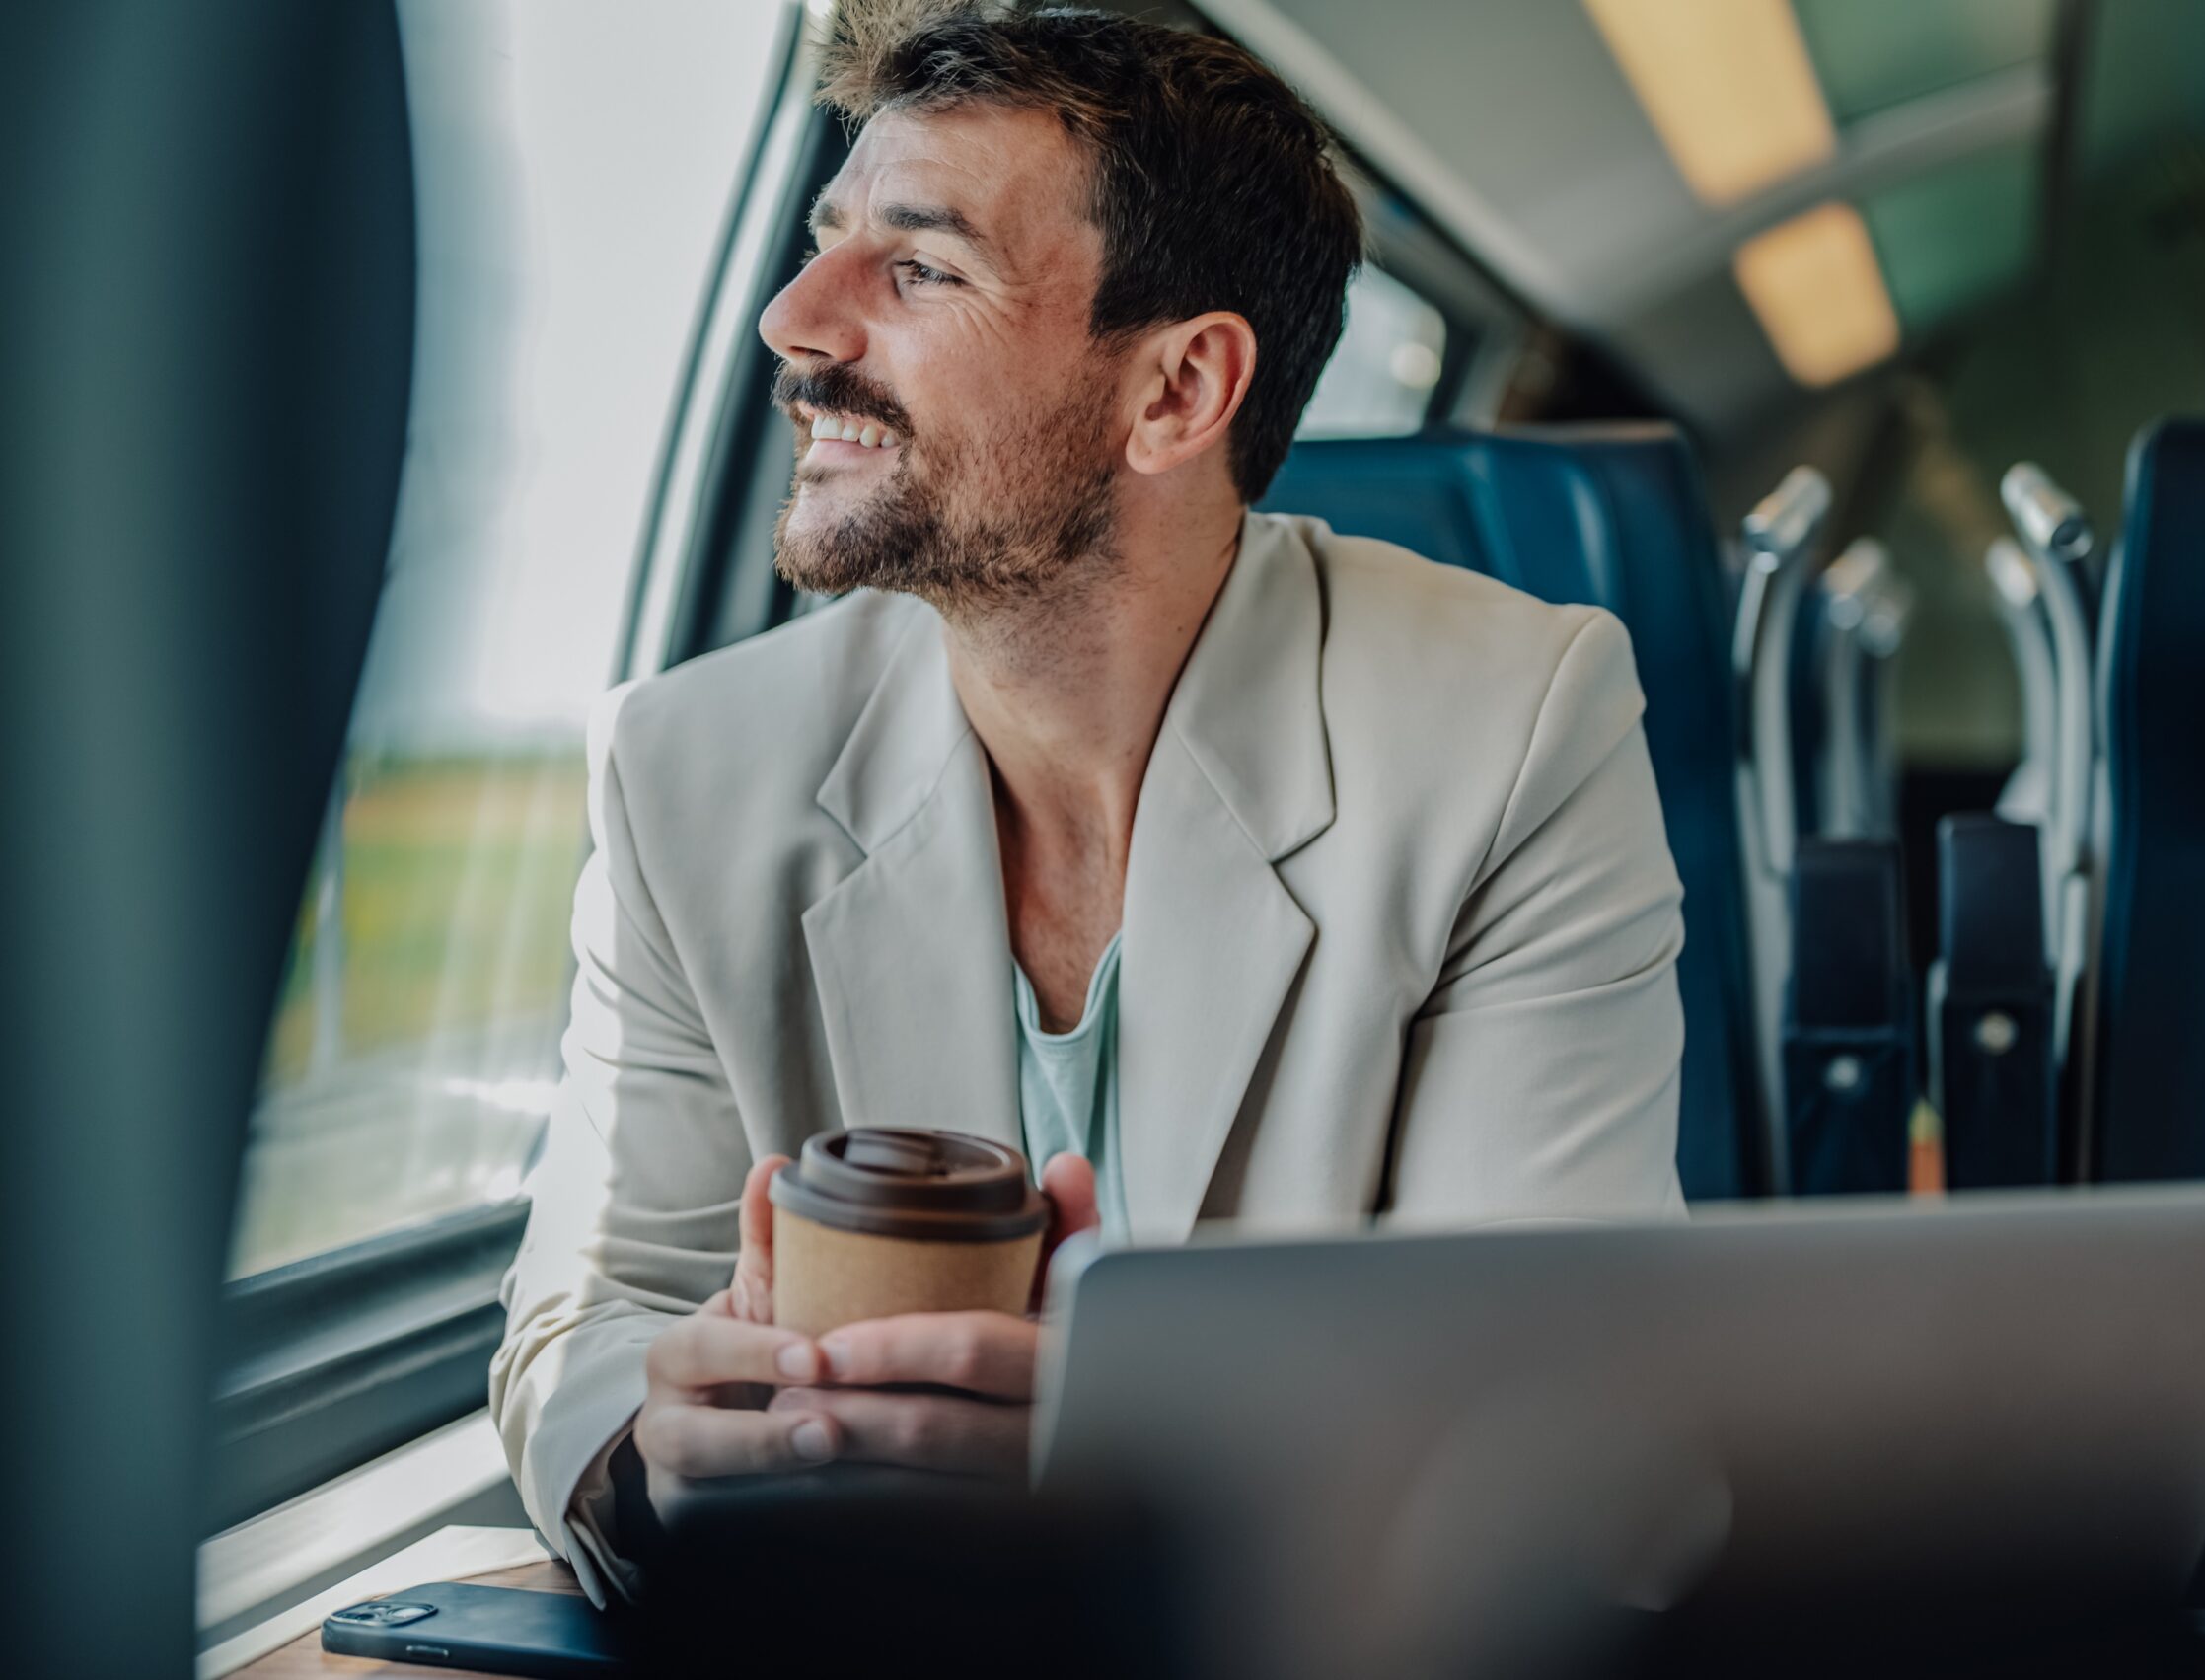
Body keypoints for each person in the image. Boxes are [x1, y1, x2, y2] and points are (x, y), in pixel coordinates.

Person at [491, 0, 1685, 1602]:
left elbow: (1564, 1414)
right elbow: (588, 1317)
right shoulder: (686, 766)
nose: (793, 319)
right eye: (824, 244)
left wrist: (1125, 1450)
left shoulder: (1511, 728)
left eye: (916, 269)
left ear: (1179, 390)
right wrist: (660, 1463)